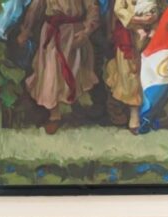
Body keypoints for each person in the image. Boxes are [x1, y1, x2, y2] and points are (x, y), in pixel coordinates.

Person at [17, 0, 101, 135]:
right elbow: (35, 8)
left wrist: (87, 31)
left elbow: (92, 7)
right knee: (51, 71)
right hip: (52, 33)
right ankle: (54, 114)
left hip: (74, 32)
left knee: (76, 70)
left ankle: (76, 108)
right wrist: (26, 31)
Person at [104, 0, 159, 133]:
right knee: (130, 74)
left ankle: (149, 110)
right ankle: (133, 115)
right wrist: (136, 19)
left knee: (147, 73)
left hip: (148, 37)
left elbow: (157, 8)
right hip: (128, 36)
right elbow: (119, 10)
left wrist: (153, 18)